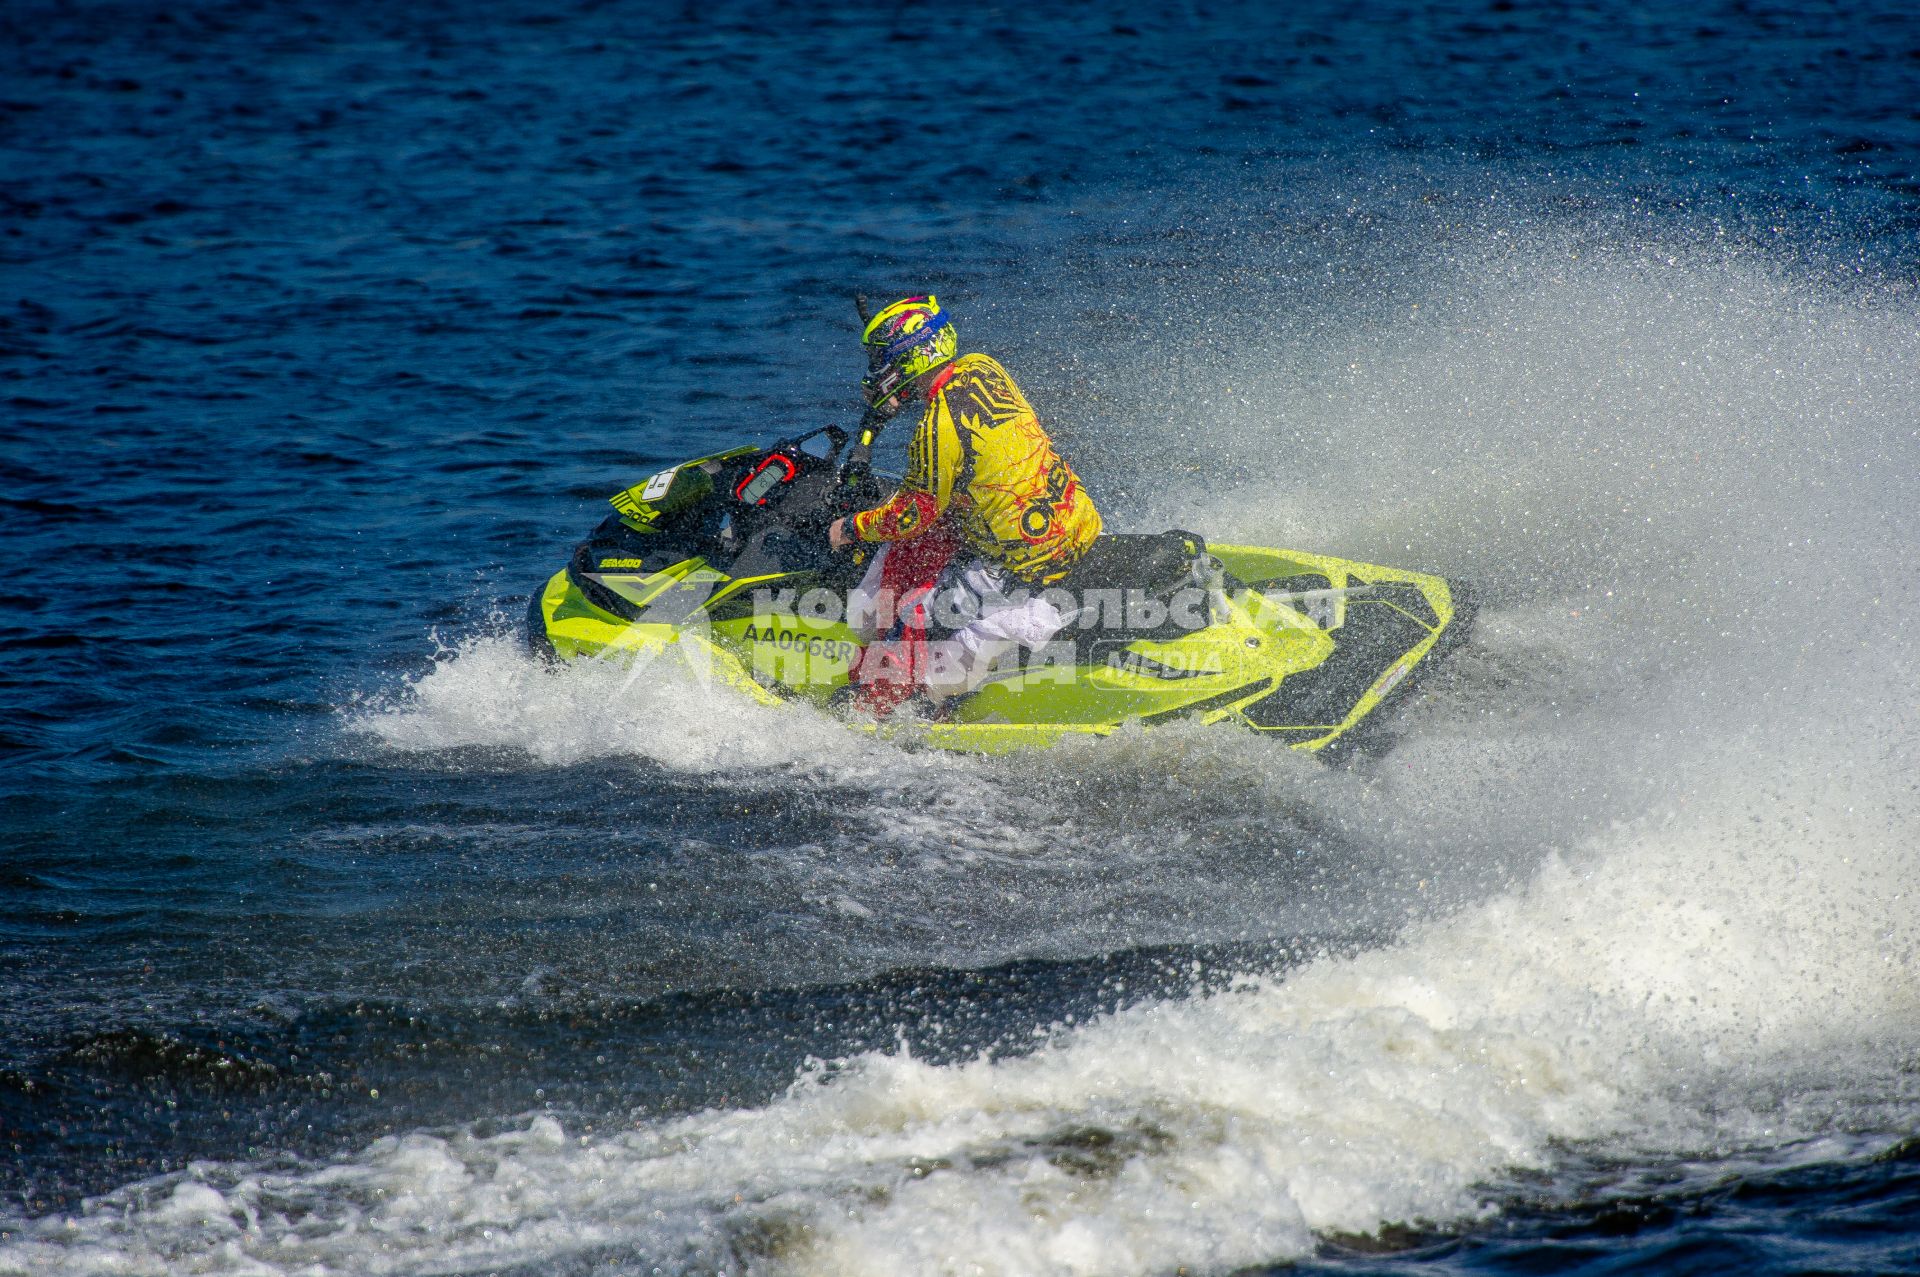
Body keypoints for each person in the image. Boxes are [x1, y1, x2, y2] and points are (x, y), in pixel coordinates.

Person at [827, 295, 1102, 712]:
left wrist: (851, 528)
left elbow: (910, 514)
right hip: (1076, 522)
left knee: (912, 612)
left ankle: (907, 703)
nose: (875, 368)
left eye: (881, 358)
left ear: (908, 357)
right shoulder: (982, 367)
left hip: (1024, 566)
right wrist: (897, 398)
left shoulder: (936, 427)